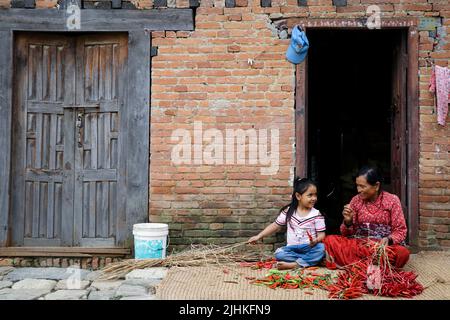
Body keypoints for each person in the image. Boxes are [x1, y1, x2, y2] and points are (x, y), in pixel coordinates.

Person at [323, 166, 410, 269]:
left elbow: (401, 230)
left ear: (376, 186)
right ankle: (372, 265)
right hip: (360, 246)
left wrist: (389, 239)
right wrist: (348, 222)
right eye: (357, 186)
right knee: (330, 240)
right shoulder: (355, 201)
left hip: (382, 248)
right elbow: (346, 234)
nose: (358, 190)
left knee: (402, 253)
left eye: (362, 186)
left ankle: (357, 264)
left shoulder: (392, 200)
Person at [248, 177, 326, 270]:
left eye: (315, 195)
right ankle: (307, 261)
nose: (314, 198)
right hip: (292, 249)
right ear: (298, 196)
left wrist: (316, 241)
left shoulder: (316, 214)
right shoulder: (288, 212)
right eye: (310, 195)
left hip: (309, 248)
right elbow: (275, 226)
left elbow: (322, 235)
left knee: (321, 248)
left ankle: (295, 264)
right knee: (279, 254)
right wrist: (259, 236)